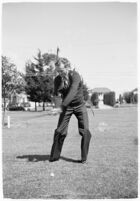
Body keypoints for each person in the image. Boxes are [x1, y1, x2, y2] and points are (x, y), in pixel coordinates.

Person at [49, 58, 92, 164]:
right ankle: (54, 157)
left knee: (85, 131)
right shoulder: (58, 80)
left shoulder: (75, 75)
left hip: (79, 106)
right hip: (66, 107)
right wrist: (56, 107)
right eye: (58, 71)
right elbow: (56, 95)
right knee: (59, 131)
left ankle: (84, 158)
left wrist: (61, 107)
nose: (60, 73)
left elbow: (72, 91)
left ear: (67, 67)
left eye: (62, 70)